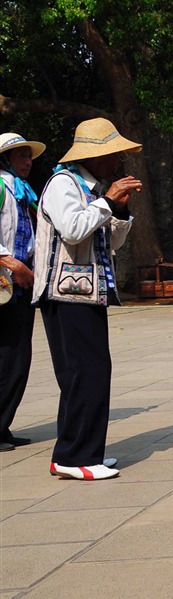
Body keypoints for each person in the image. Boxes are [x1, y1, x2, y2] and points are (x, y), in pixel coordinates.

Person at [32, 118, 142, 480]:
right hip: (66, 296)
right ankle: (74, 457)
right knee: (84, 373)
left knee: (89, 372)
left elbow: (110, 242)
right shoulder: (63, 184)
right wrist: (108, 201)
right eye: (113, 155)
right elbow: (73, 228)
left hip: (84, 293)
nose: (118, 162)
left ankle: (81, 451)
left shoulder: (89, 189)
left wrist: (119, 210)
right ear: (96, 157)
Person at [0, 133, 46, 452]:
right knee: (7, 355)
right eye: (20, 156)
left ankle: (3, 424)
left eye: (29, 156)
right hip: (6, 279)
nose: (28, 161)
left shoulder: (23, 191)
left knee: (18, 355)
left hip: (22, 283)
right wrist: (10, 261)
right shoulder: (2, 187)